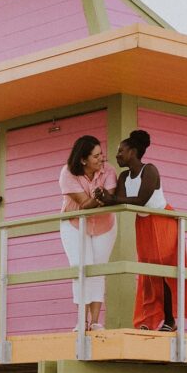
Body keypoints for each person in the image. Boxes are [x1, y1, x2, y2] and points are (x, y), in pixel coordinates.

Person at [95, 129, 187, 332]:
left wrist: (111, 197)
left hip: (162, 221)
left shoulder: (150, 170)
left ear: (132, 151)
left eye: (121, 151)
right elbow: (122, 201)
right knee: (148, 273)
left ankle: (170, 319)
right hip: (143, 224)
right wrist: (104, 198)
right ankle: (149, 320)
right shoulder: (124, 176)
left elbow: (140, 200)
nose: (117, 155)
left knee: (165, 271)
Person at [59, 135, 117, 330]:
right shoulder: (67, 173)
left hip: (104, 224)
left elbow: (109, 198)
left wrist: (103, 197)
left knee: (98, 270)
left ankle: (94, 322)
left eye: (101, 154)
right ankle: (81, 321)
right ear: (83, 160)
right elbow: (84, 205)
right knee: (81, 268)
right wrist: (101, 197)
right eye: (95, 156)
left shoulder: (109, 170)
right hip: (74, 223)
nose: (101, 158)